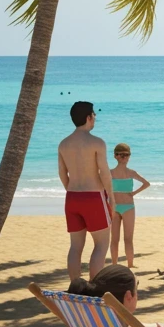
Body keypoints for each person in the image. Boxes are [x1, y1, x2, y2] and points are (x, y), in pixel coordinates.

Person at [59, 101, 114, 281]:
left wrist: (71, 189)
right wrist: (111, 197)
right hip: (93, 196)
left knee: (75, 246)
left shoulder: (64, 144)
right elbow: (104, 172)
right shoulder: (96, 143)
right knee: (101, 244)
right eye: (94, 115)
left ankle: (75, 286)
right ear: (88, 117)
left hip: (72, 197)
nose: (95, 118)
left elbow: (62, 173)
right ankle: (94, 288)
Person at [109, 143, 150, 268]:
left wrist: (132, 193)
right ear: (116, 156)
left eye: (126, 155)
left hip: (120, 206)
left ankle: (123, 264)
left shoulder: (112, 173)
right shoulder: (126, 172)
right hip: (123, 207)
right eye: (122, 155)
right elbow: (146, 183)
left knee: (122, 239)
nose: (125, 157)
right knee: (121, 239)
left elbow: (146, 183)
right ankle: (122, 264)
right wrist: (132, 193)